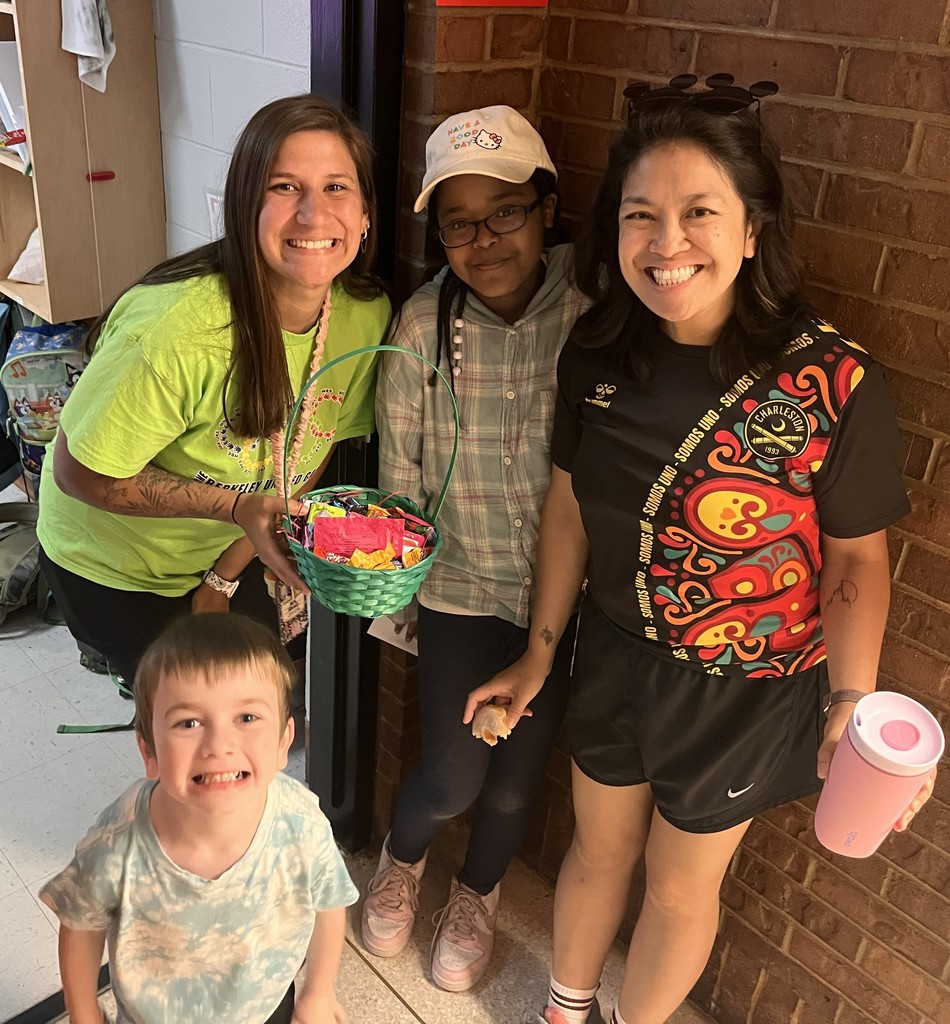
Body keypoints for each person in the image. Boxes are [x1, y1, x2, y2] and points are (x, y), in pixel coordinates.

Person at [464, 78, 934, 1024]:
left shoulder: (832, 383)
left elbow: (855, 563)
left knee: (681, 889)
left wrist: (850, 699)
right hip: (614, 659)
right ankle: (564, 1011)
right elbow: (567, 511)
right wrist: (539, 652)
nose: (666, 244)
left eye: (698, 213)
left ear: (753, 229)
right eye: (641, 216)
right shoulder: (596, 353)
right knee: (597, 853)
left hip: (747, 689)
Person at [36, 94, 391, 684]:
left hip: (221, 547)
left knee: (253, 703)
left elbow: (301, 457)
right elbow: (80, 474)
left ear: (365, 215)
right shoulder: (176, 333)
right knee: (197, 724)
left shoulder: (363, 317)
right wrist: (234, 509)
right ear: (243, 206)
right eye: (284, 187)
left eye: (336, 187)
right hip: (113, 565)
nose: (313, 214)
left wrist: (223, 576)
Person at [362, 105, 588, 992]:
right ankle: (402, 859)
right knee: (455, 775)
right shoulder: (422, 329)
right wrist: (395, 587)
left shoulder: (592, 317)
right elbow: (402, 481)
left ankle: (479, 893)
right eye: (458, 221)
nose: (483, 238)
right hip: (459, 587)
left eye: (505, 212)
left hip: (562, 601)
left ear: (547, 208)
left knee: (512, 784)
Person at [40, 613, 358, 1024]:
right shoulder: (120, 838)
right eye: (188, 722)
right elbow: (80, 924)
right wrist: (84, 1014)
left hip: (264, 1006)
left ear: (284, 743)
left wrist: (317, 990)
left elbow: (327, 903)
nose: (219, 745)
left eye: (246, 717)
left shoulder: (299, 820)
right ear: (149, 751)